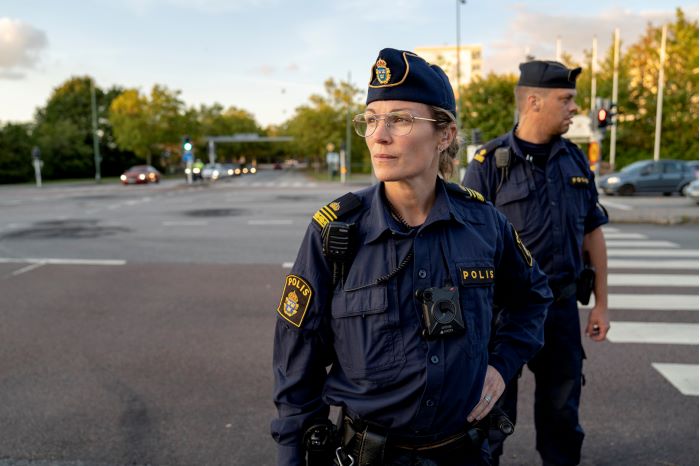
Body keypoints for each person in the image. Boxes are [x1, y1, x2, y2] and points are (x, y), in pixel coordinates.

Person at [271, 48, 552, 466]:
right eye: (370, 120)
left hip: (467, 453)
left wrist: (501, 364)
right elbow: (296, 369)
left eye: (399, 119)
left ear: (445, 134)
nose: (378, 135)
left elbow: (533, 296)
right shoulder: (333, 232)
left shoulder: (484, 223)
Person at [463, 60, 610, 466]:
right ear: (533, 101)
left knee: (562, 412)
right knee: (489, 411)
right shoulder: (489, 162)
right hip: (502, 313)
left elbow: (592, 233)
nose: (573, 108)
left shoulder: (576, 161)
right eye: (565, 100)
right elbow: (463, 240)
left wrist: (600, 304)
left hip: (559, 310)